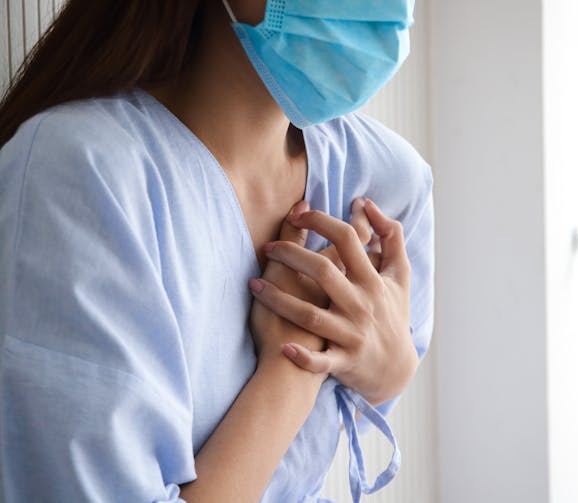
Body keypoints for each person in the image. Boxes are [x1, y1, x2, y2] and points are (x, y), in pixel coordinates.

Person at [0, 0, 434, 502]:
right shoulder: (80, 174)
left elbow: (358, 405)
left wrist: (390, 370)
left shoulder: (387, 180)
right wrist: (294, 364)